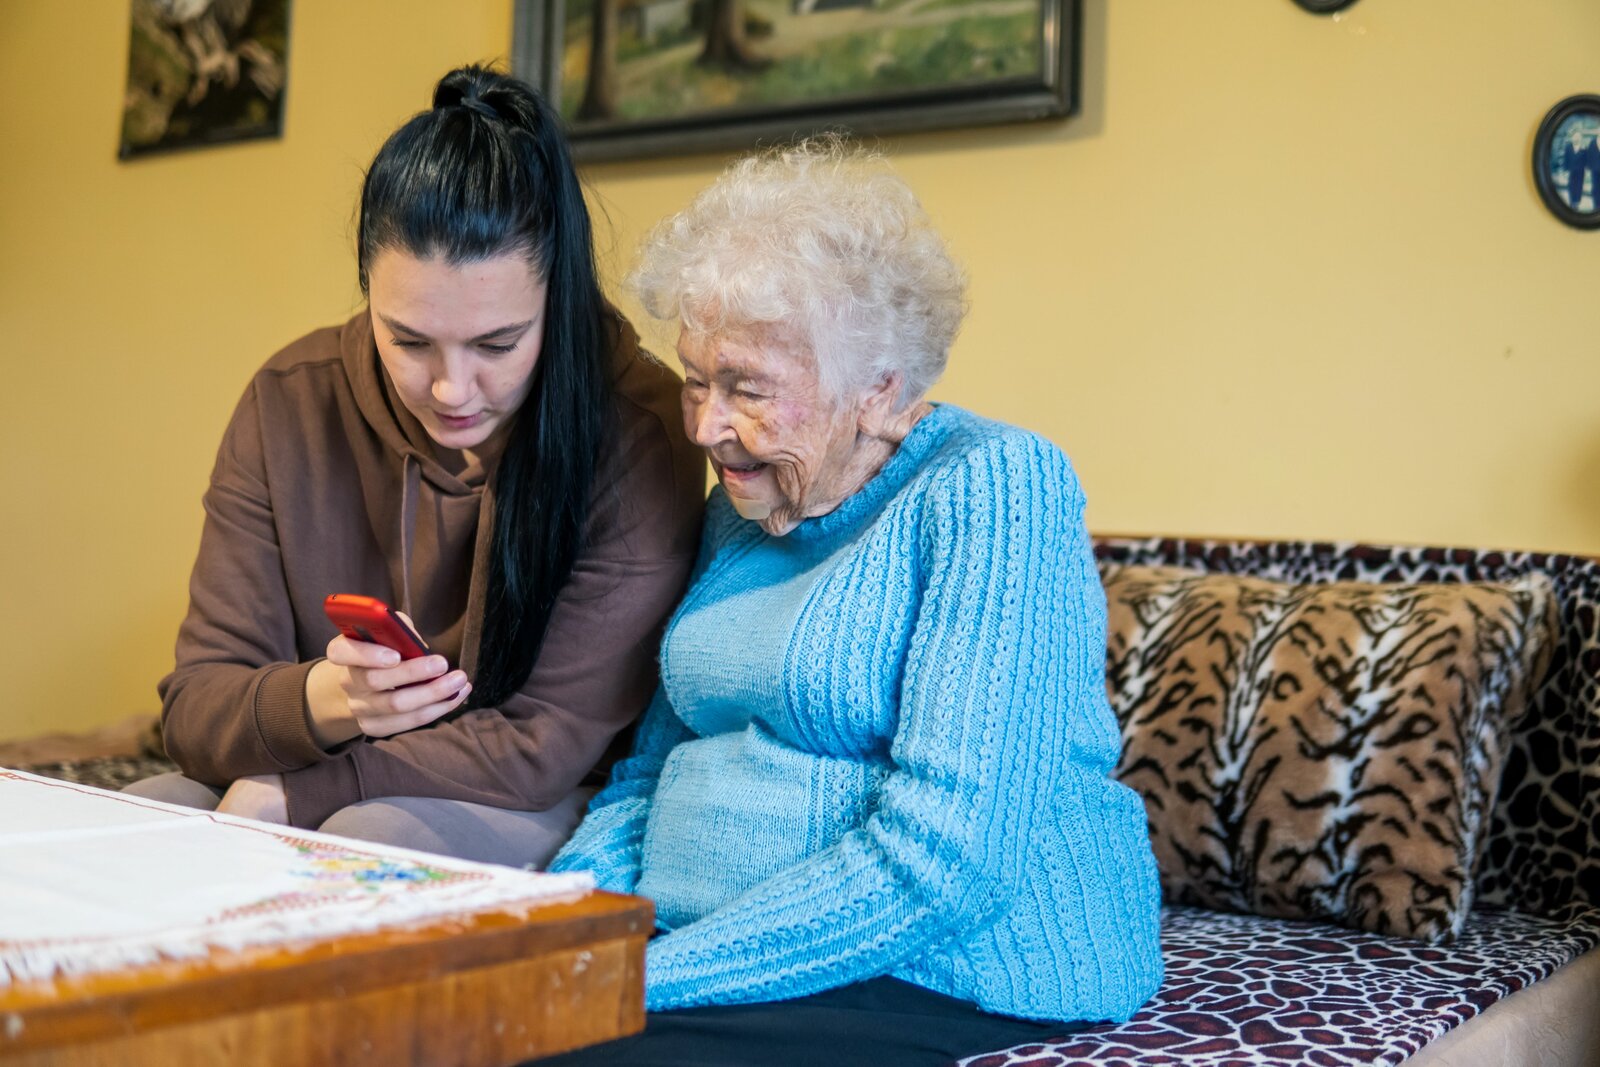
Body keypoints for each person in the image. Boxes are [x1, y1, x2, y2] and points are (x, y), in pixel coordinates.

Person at [540, 140, 1164, 1066]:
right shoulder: (744, 505)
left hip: (938, 966)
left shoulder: (995, 488)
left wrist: (646, 978)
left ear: (882, 389)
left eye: (747, 387)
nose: (707, 425)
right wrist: (548, 929)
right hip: (709, 952)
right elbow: (649, 776)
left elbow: (947, 863)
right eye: (697, 380)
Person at [124, 66, 706, 868]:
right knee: (131, 821)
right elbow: (196, 707)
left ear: (556, 300)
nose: (450, 387)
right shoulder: (289, 401)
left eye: (497, 345)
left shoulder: (638, 430)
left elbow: (543, 744)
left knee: (362, 847)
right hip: (325, 746)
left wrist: (301, 792)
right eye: (407, 339)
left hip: (526, 790)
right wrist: (324, 702)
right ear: (367, 286)